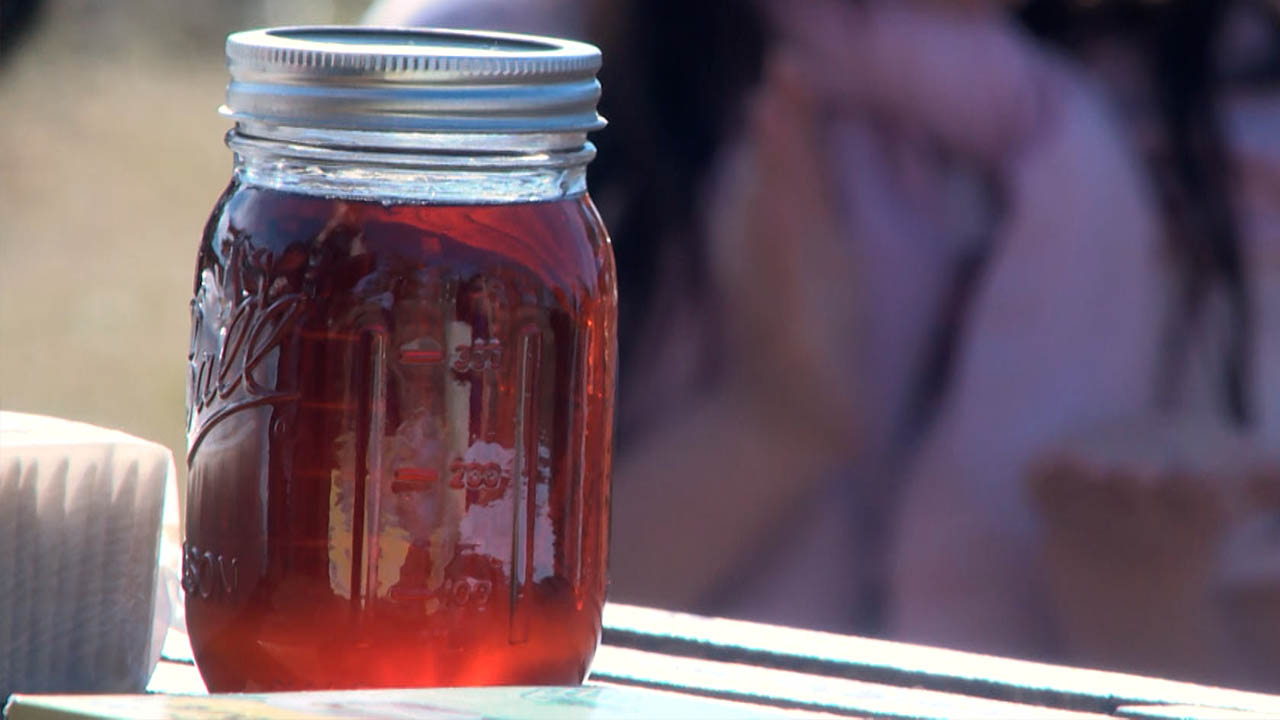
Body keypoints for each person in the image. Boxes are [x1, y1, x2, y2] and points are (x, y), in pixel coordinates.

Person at [366, 0, 1280, 689]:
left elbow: (1232, 677)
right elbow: (392, 619)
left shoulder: (1228, 132)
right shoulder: (490, 69)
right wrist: (770, 422)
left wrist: (1137, 595)